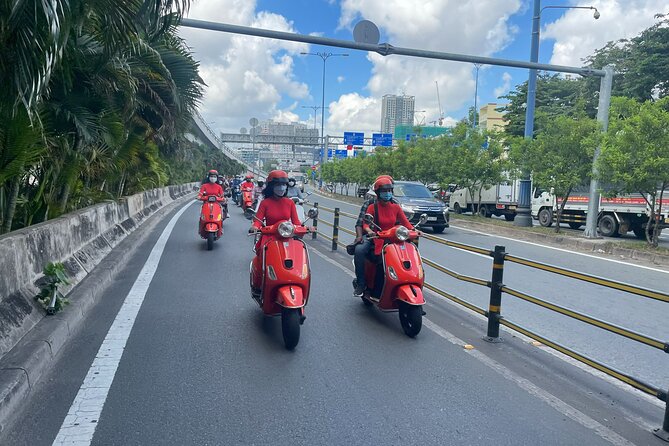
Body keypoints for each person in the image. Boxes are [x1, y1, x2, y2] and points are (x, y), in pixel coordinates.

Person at [352, 175, 414, 298]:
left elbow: (405, 223)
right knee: (359, 250)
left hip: (391, 237)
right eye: (384, 191)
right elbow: (363, 224)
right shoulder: (370, 205)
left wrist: (414, 231)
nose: (387, 193)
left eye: (389, 190)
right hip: (374, 237)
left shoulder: (396, 206)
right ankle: (361, 283)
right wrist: (369, 232)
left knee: (408, 253)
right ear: (378, 192)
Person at [249, 170, 302, 292]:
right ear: (271, 187)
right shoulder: (265, 203)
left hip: (286, 236)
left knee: (296, 257)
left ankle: (292, 278)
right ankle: (259, 283)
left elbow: (296, 222)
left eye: (283, 185)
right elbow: (258, 220)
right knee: (262, 256)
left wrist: (305, 228)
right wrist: (255, 227)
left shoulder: (289, 203)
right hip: (269, 236)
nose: (281, 187)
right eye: (278, 185)